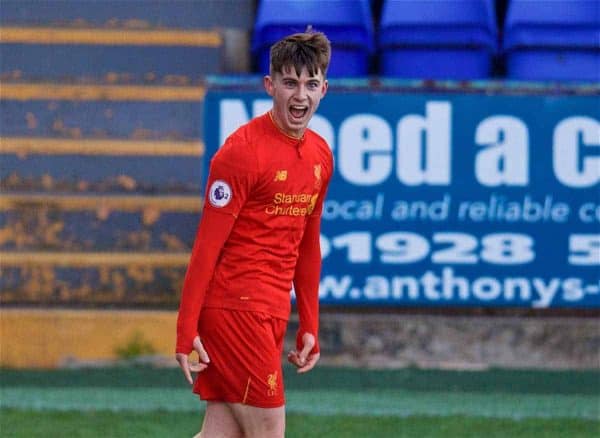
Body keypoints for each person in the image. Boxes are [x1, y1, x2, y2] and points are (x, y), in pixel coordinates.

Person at [175, 30, 333, 438]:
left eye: (311, 84)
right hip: (235, 311)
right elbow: (206, 246)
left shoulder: (319, 155)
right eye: (290, 82)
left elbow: (307, 244)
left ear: (323, 89)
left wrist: (310, 323)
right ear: (270, 86)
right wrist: (185, 326)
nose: (301, 95)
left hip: (272, 311)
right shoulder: (241, 153)